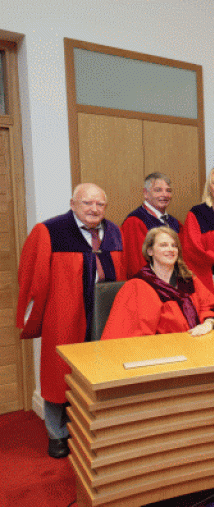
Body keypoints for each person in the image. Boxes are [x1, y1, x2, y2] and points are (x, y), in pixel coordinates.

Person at [17, 183, 126, 458]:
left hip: (104, 314)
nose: (94, 209)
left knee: (101, 373)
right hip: (66, 314)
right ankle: (58, 434)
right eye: (87, 203)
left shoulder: (113, 231)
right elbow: (33, 277)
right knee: (59, 373)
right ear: (73, 203)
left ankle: (94, 431)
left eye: (100, 204)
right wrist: (37, 316)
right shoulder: (50, 231)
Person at [102, 227, 214, 338]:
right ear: (150, 251)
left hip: (195, 342)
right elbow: (135, 334)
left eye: (174, 246)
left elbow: (210, 307)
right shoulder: (138, 286)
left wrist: (207, 324)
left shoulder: (188, 280)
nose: (171, 249)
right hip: (159, 350)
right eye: (163, 245)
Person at [121, 172, 183, 278]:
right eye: (158, 190)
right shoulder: (134, 222)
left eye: (168, 190)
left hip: (174, 280)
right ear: (146, 193)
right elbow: (136, 265)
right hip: (150, 284)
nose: (164, 195)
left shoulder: (175, 223)